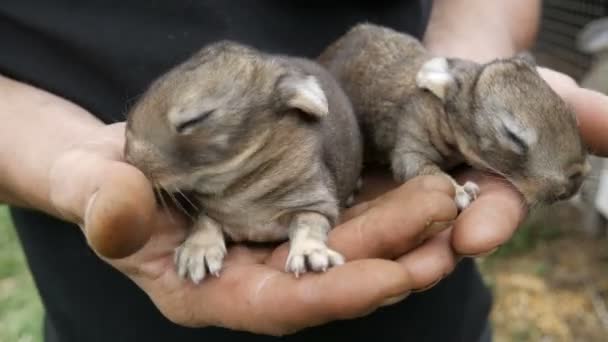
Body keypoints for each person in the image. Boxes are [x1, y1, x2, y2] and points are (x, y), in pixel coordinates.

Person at [1, 1, 607, 341]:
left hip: (422, 314)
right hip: (112, 311)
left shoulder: (322, 117)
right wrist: (56, 160)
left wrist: (471, 46)